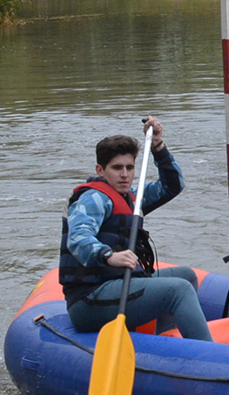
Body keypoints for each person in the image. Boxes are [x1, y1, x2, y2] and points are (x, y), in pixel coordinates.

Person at [59, 117, 213, 342]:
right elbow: (78, 237)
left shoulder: (133, 197)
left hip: (118, 284)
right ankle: (206, 354)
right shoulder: (93, 199)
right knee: (179, 289)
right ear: (100, 170)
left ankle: (166, 343)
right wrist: (109, 255)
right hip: (89, 299)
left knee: (186, 276)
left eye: (129, 167)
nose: (125, 174)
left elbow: (173, 185)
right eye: (117, 168)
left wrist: (158, 147)